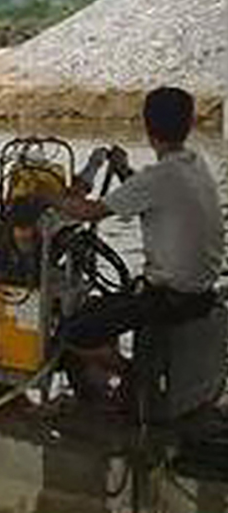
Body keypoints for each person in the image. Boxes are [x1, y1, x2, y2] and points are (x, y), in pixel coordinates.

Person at [47, 87, 224, 401]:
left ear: (147, 126)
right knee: (103, 306)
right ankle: (128, 380)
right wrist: (123, 169)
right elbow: (144, 194)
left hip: (170, 296)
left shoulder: (158, 177)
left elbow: (88, 211)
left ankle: (135, 378)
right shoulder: (196, 164)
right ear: (189, 124)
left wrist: (44, 197)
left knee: (72, 333)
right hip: (201, 290)